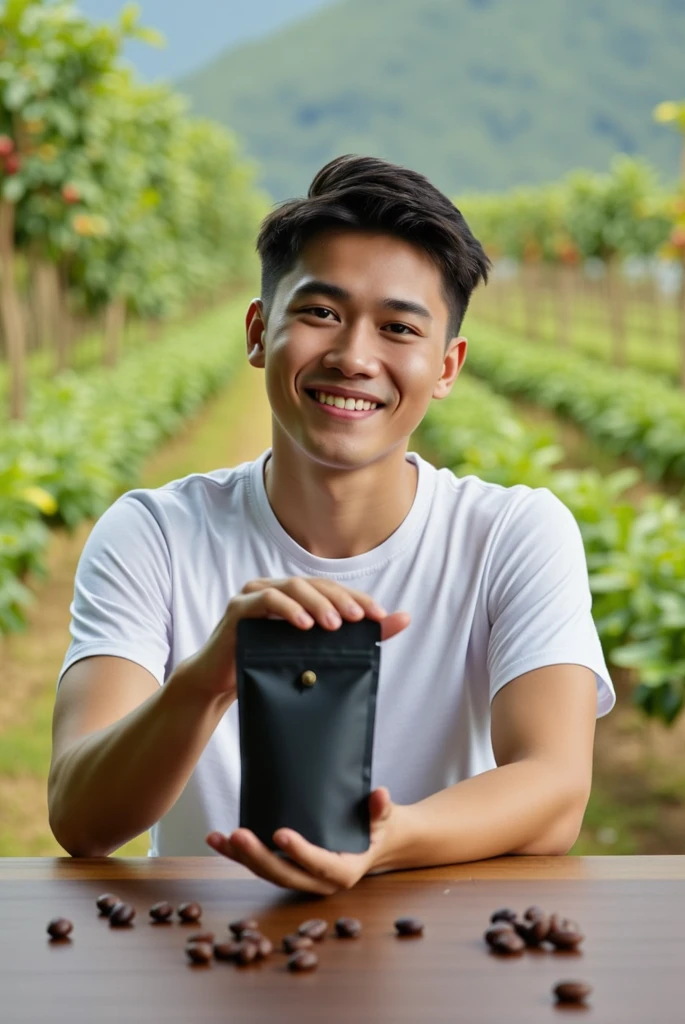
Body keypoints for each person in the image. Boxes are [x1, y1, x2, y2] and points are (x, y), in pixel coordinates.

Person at [48, 154, 615, 895]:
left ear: (448, 367)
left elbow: (555, 786)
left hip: (441, 959)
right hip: (205, 968)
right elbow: (80, 816)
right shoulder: (152, 534)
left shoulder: (513, 534)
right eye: (320, 313)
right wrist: (206, 679)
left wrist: (384, 841)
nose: (353, 357)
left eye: (398, 328)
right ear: (258, 331)